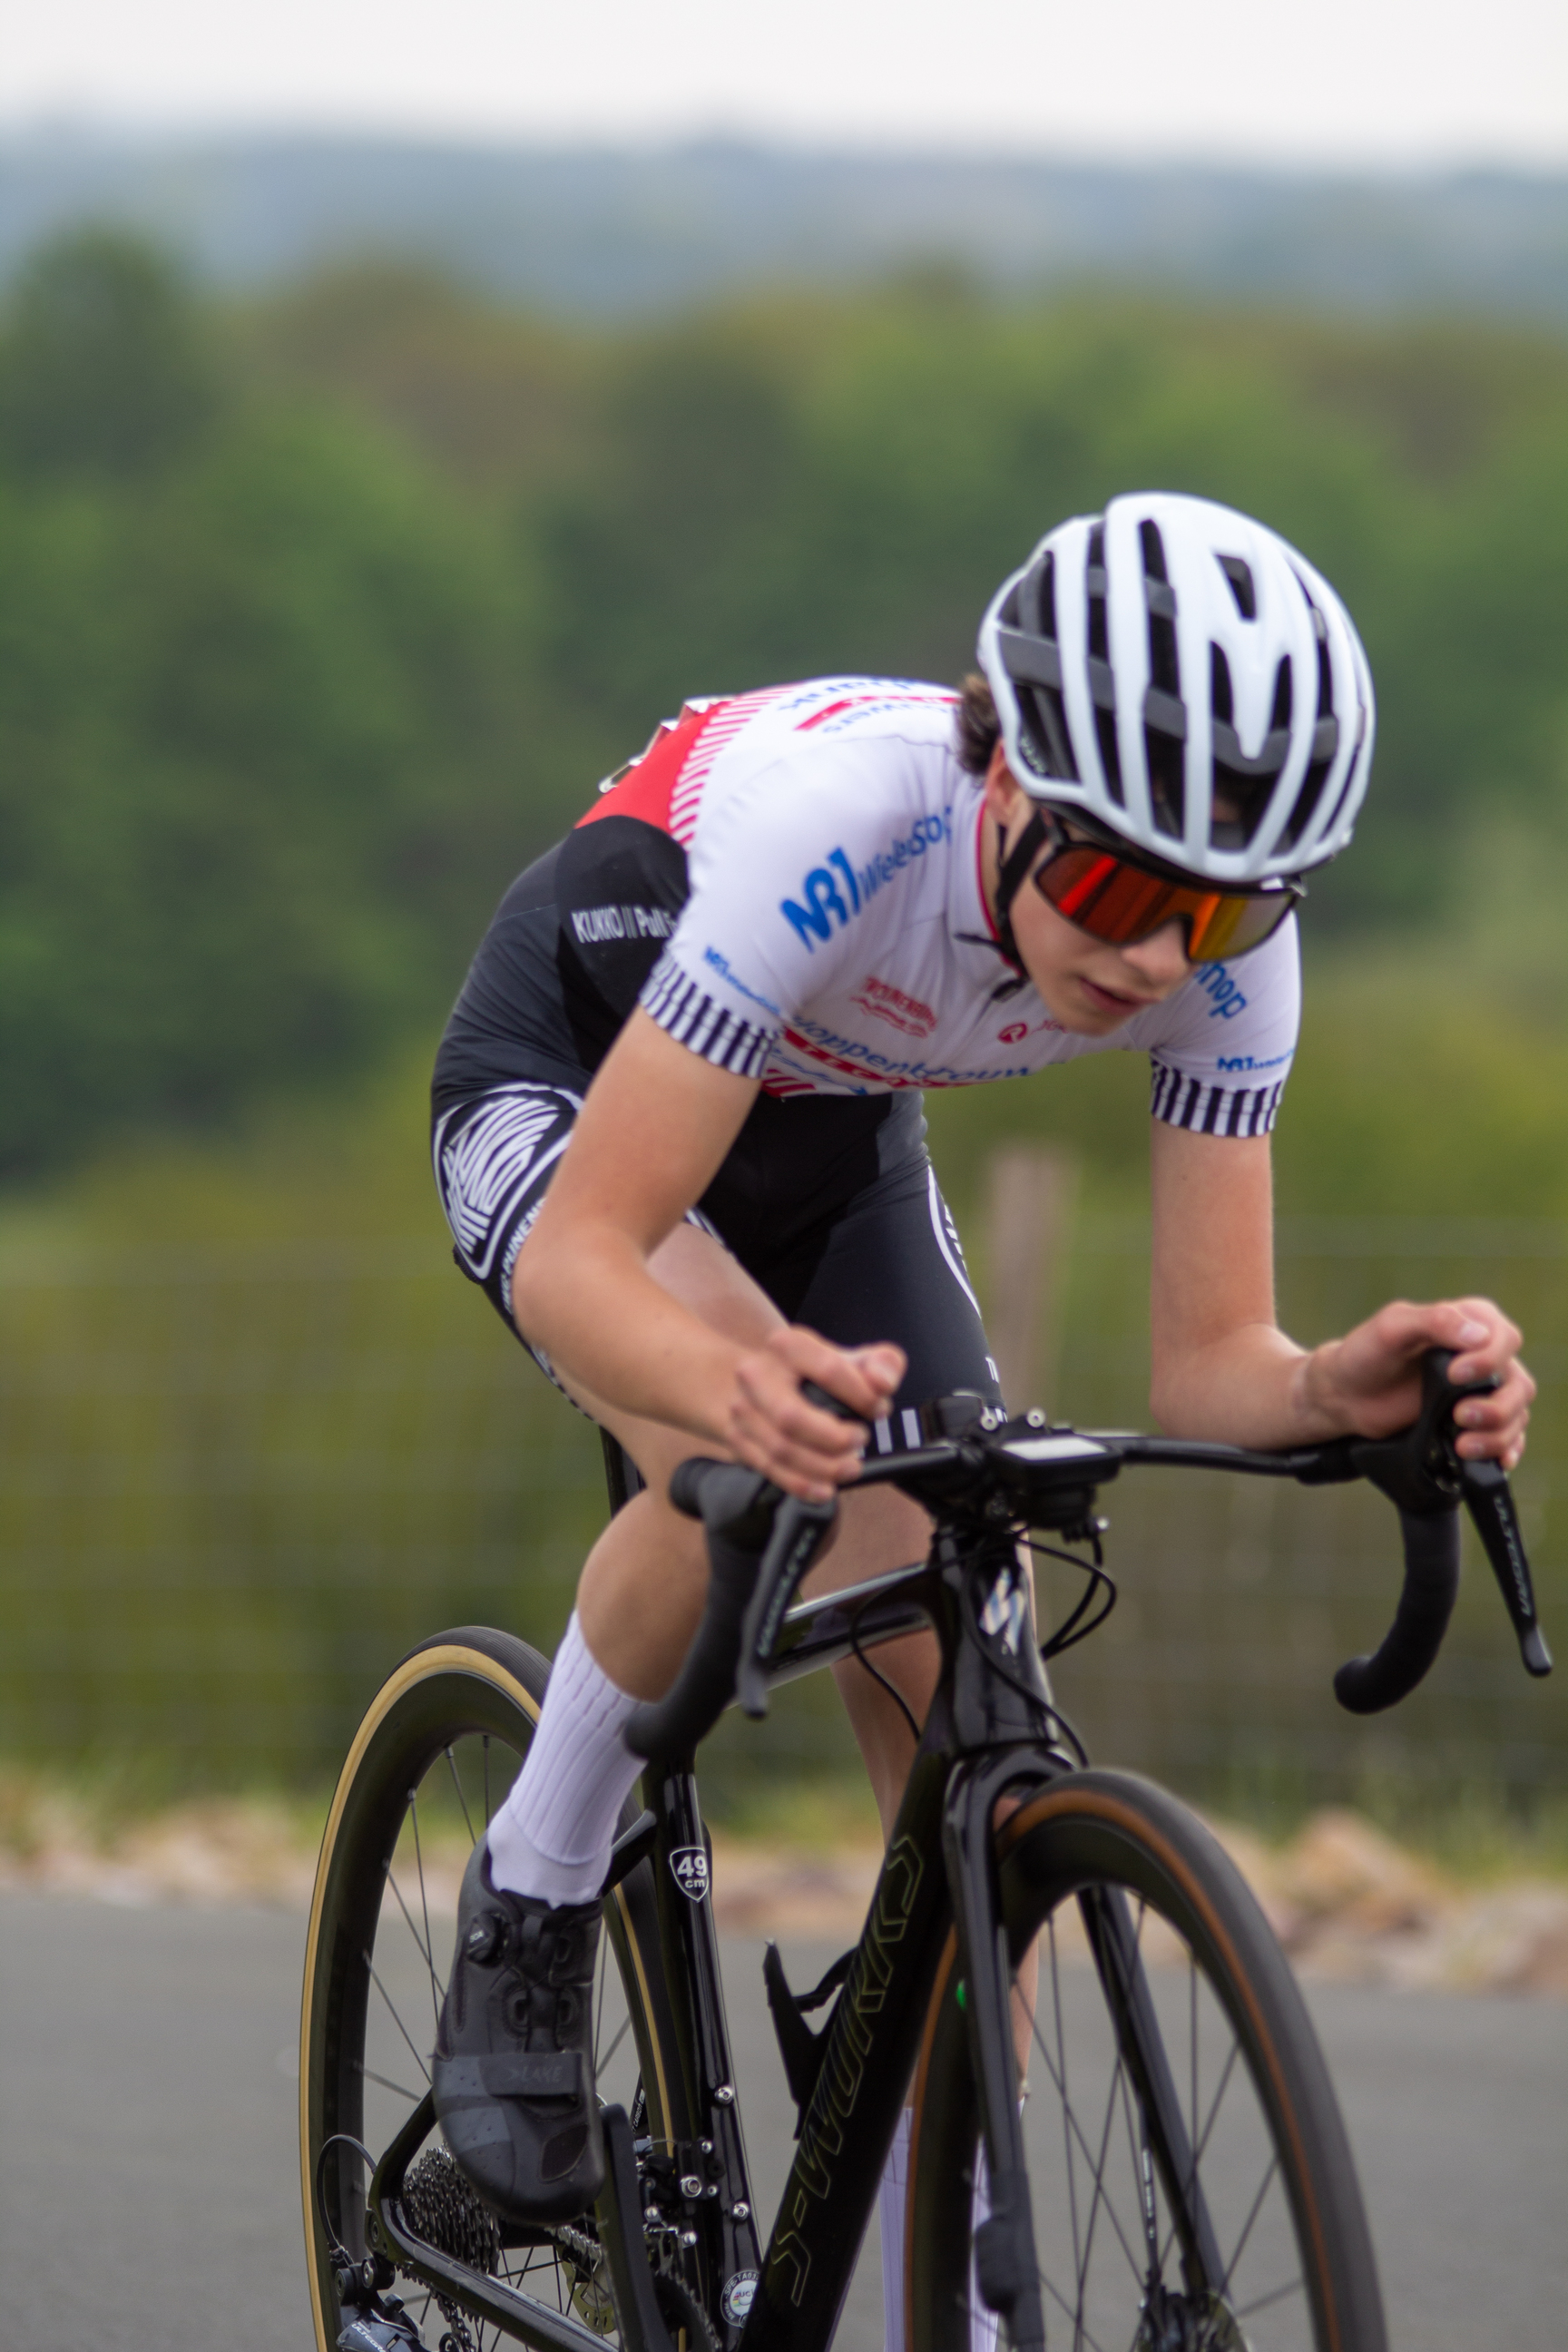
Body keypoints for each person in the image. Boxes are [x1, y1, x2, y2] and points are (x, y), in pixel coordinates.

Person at [424, 492, 1532, 2269]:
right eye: (1108, 885)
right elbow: (585, 1263)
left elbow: (1215, 1369)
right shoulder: (839, 830)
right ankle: (533, 1894)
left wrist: (1351, 1387)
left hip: (829, 1124)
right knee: (754, 1482)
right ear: (998, 766)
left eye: (1222, 918)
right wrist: (728, 1401)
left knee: (977, 1640)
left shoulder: (1220, 958)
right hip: (576, 1088)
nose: (1157, 958)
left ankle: (963, 2254)